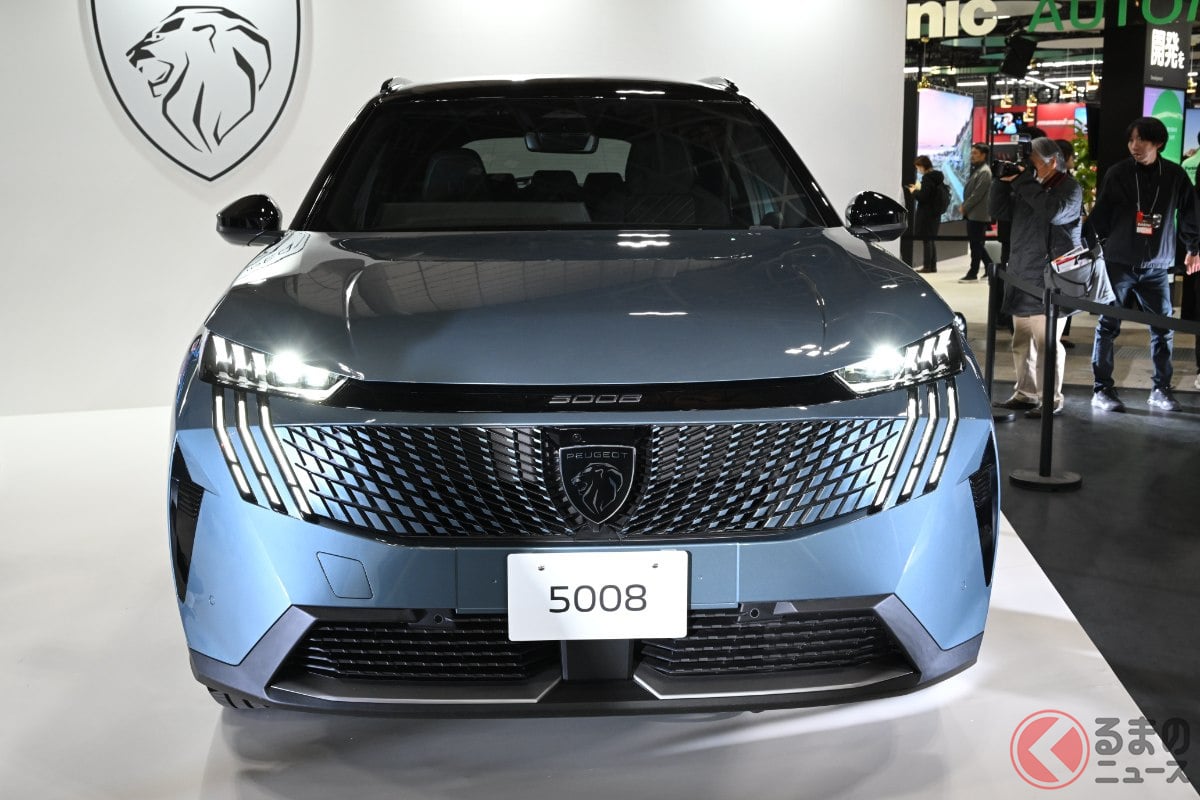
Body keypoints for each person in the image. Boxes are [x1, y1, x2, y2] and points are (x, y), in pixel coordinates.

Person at [1087, 116, 1199, 412]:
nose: (1134, 146)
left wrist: (1193, 247)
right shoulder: (1118, 173)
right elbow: (1101, 213)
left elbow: (1190, 212)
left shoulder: (1174, 175)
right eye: (1131, 140)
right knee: (1107, 325)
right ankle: (1102, 389)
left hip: (1157, 267)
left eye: (1141, 140)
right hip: (1119, 262)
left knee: (1163, 329)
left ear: (1158, 143)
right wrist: (1090, 248)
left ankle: (1161, 389)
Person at [988, 137, 1084, 418]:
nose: (1027, 168)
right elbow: (997, 211)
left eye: (1033, 163)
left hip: (1051, 278)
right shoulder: (1026, 186)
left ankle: (1050, 398)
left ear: (1052, 162)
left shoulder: (1069, 188)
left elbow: (1053, 213)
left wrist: (1022, 182)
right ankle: (1026, 393)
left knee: (1046, 343)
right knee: (1022, 340)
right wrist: (1001, 181)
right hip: (1022, 273)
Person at [959, 143, 994, 282]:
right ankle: (990, 268)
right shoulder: (979, 170)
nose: (972, 156)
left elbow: (977, 194)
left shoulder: (985, 172)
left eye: (975, 153)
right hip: (974, 214)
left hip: (978, 215)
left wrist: (965, 207)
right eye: (972, 153)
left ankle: (973, 273)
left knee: (976, 245)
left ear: (983, 155)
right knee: (977, 244)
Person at [907, 155, 945, 273]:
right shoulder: (937, 177)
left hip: (927, 214)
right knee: (931, 240)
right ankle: (932, 266)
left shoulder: (928, 179)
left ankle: (927, 266)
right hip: (935, 213)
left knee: (927, 240)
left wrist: (914, 191)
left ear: (923, 166)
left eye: (918, 167)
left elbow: (923, 197)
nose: (918, 170)